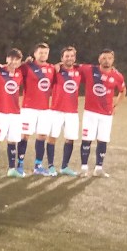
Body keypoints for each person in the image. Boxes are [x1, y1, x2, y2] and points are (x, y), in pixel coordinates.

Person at [79, 49, 126, 177]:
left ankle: (98, 168)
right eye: (104, 58)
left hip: (106, 114)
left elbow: (123, 90)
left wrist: (115, 104)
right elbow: (70, 65)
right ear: (99, 59)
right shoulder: (89, 70)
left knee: (103, 140)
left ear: (113, 60)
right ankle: (84, 167)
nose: (107, 60)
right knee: (87, 139)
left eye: (109, 58)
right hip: (90, 112)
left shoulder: (117, 76)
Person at [19, 43, 56, 176]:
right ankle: (19, 164)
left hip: (45, 109)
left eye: (45, 53)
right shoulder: (27, 67)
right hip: (29, 108)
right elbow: (13, 68)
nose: (43, 55)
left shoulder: (52, 68)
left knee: (42, 136)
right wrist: (24, 62)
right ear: (35, 54)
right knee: (25, 135)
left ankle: (38, 165)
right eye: (40, 52)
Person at [46, 46, 83, 177]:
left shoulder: (79, 70)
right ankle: (50, 166)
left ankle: (64, 166)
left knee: (70, 139)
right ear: (62, 58)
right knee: (52, 138)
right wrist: (57, 66)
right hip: (56, 110)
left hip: (72, 111)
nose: (69, 58)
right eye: (66, 56)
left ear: (75, 57)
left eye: (72, 56)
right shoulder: (55, 70)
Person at [0, 48, 25, 178]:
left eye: (17, 59)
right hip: (0, 113)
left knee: (12, 141)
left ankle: (11, 169)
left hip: (15, 113)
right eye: (12, 58)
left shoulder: (20, 73)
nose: (14, 62)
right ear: (7, 59)